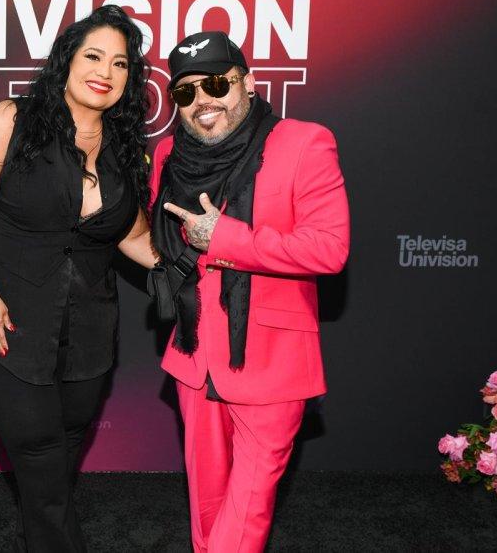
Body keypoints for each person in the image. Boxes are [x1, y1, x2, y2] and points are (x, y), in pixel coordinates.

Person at [0, 4, 158, 552]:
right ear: (67, 60)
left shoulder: (124, 150)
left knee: (63, 452)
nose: (105, 71)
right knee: (41, 454)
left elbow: (132, 237)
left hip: (90, 329)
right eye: (93, 56)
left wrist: (204, 261)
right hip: (9, 319)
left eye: (120, 63)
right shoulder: (12, 120)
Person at [148, 30, 349, 552]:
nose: (203, 100)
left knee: (247, 509)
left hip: (273, 358)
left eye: (217, 83)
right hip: (194, 355)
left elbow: (329, 249)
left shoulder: (304, 142)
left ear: (249, 82)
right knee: (207, 504)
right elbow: (165, 244)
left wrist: (225, 238)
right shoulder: (168, 153)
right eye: (186, 91)